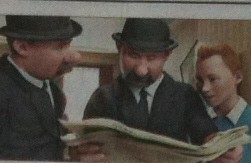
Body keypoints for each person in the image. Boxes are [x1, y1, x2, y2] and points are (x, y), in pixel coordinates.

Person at [78, 17, 218, 150]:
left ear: (167, 55)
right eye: (133, 55)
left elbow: (208, 137)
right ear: (119, 48)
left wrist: (217, 148)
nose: (141, 71)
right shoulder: (101, 98)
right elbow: (85, 146)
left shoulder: (186, 95)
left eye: (151, 58)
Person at [0, 15, 82, 161]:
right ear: (22, 47)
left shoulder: (53, 89)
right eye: (60, 46)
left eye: (68, 45)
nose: (74, 57)